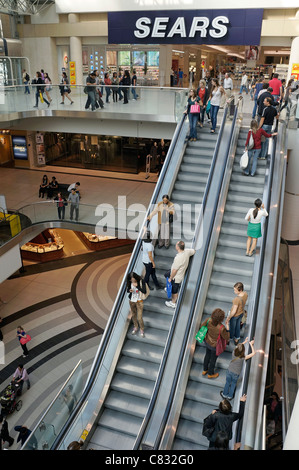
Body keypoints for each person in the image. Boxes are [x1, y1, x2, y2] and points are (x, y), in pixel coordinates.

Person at [200, 308, 230, 378]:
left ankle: (205, 370)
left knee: (207, 355)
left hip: (207, 341)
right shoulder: (221, 328)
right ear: (221, 319)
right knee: (213, 359)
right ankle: (210, 373)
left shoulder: (208, 320)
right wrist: (227, 327)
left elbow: (202, 326)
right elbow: (227, 337)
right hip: (215, 346)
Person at [165, 241, 195, 309]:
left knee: (174, 291)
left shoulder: (178, 258)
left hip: (176, 277)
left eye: (176, 245)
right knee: (166, 274)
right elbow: (193, 251)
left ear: (178, 247)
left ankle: (173, 303)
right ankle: (168, 287)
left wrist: (171, 278)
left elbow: (175, 270)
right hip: (178, 274)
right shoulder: (187, 251)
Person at [225, 282, 248, 346]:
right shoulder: (245, 294)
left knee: (232, 327)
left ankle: (230, 338)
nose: (234, 291)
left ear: (240, 290)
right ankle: (237, 339)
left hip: (235, 316)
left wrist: (229, 317)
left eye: (235, 290)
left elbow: (234, 311)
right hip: (241, 313)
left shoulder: (236, 299)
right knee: (237, 326)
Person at [126, 272, 147, 337]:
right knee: (133, 315)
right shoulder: (130, 282)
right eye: (131, 280)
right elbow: (127, 290)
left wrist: (137, 286)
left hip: (139, 301)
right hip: (132, 301)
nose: (132, 281)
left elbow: (144, 291)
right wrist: (130, 290)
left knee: (139, 317)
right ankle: (135, 327)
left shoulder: (141, 281)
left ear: (136, 278)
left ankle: (142, 329)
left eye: (133, 280)